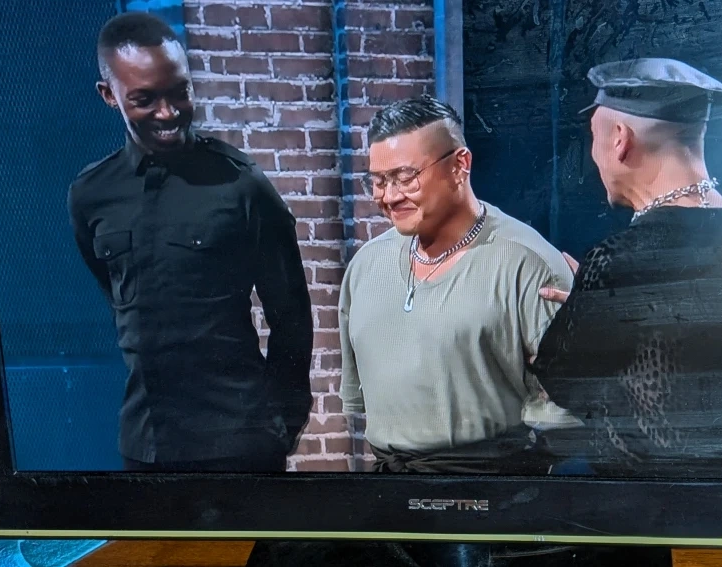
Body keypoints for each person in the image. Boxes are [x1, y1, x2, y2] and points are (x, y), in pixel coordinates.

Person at [66, 12, 313, 472]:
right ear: (109, 95)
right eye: (144, 99)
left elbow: (291, 316)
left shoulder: (241, 184)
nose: (168, 112)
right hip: (145, 445)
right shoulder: (90, 193)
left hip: (240, 445)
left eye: (179, 92)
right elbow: (118, 299)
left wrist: (284, 421)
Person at [529, 58, 722, 477]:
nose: (594, 157)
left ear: (619, 138)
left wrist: (589, 300)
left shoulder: (618, 258)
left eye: (594, 138)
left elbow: (563, 380)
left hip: (649, 498)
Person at [338, 95, 580, 474]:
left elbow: (567, 415)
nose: (389, 196)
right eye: (378, 180)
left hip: (491, 488)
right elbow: (364, 400)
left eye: (405, 177)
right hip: (388, 488)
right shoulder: (365, 267)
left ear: (459, 165)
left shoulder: (529, 264)